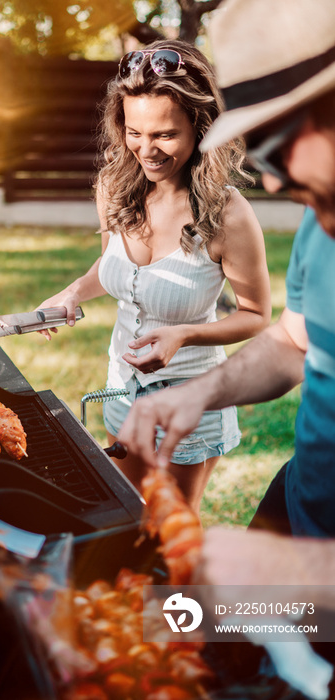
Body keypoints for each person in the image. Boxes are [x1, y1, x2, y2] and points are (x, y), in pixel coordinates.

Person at [117, 0, 335, 580]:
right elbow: (293, 340)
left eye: (275, 141)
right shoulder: (323, 223)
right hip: (299, 508)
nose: (268, 178)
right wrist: (196, 394)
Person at [37, 38, 271, 512]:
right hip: (120, 388)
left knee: (171, 533)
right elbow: (109, 267)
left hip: (190, 405)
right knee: (125, 516)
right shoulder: (113, 186)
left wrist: (182, 335)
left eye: (165, 134)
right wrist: (71, 293)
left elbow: (256, 315)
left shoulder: (229, 214)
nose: (147, 149)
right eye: (134, 131)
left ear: (201, 128)